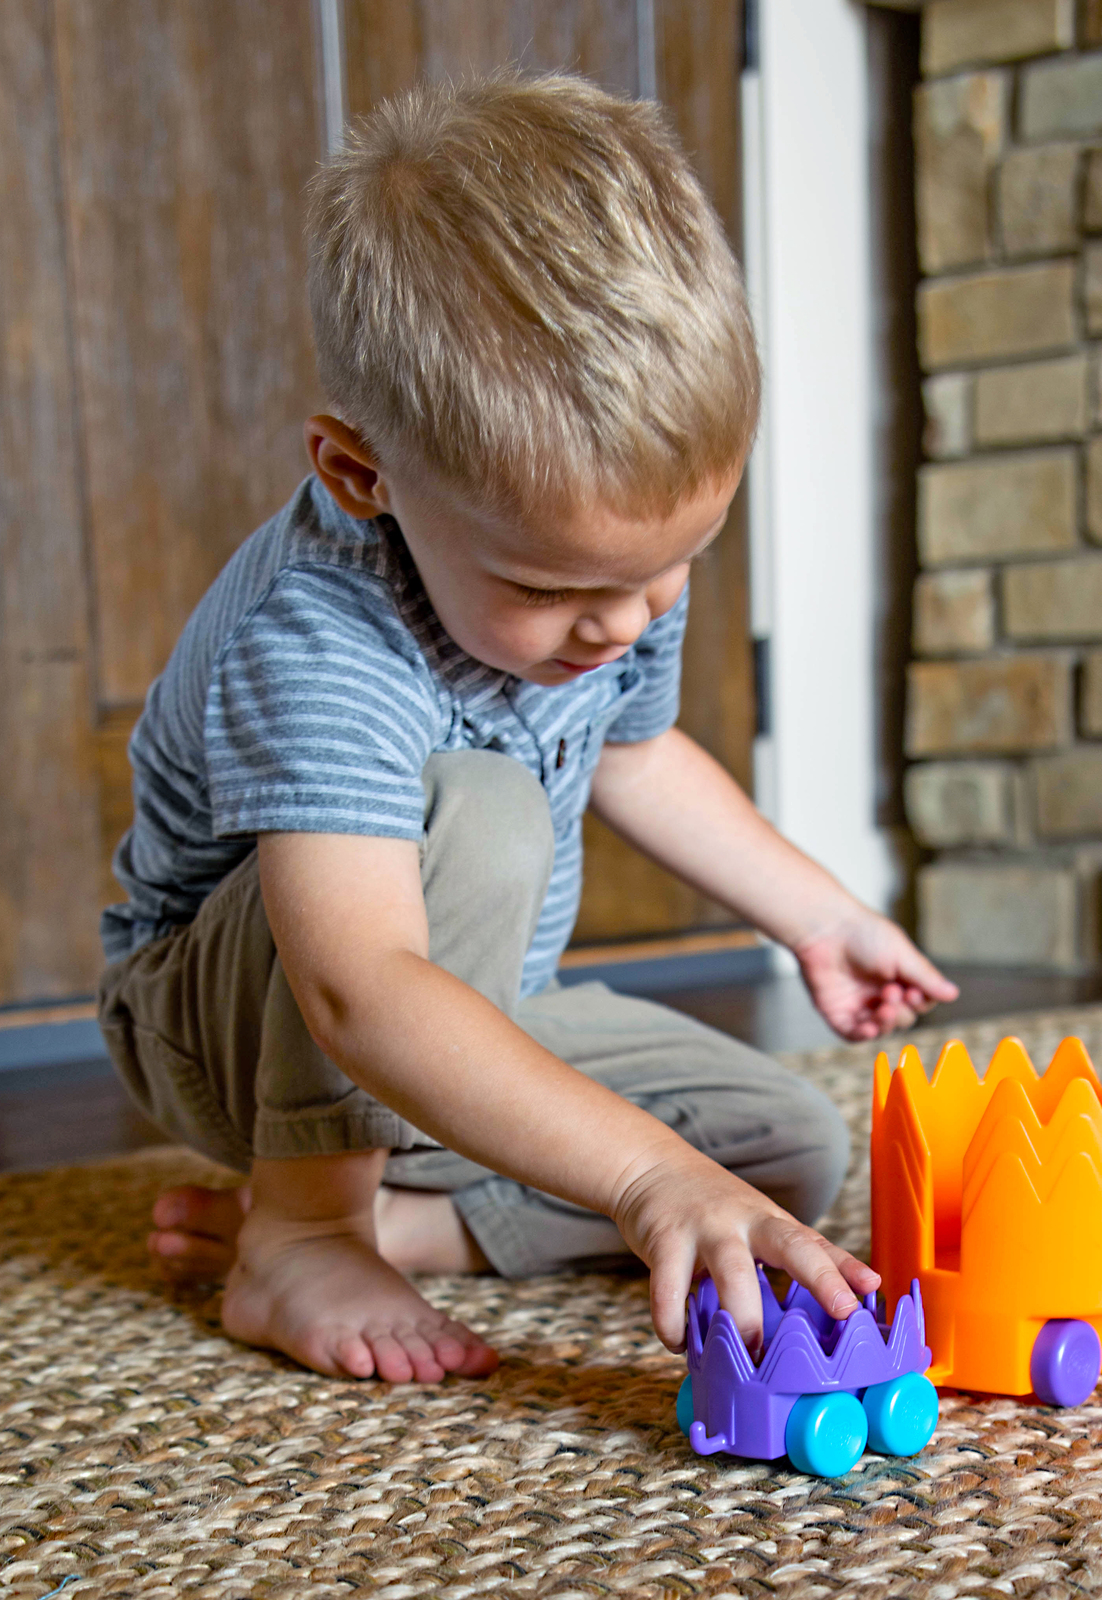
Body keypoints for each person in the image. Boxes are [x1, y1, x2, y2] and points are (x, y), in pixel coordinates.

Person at [96, 72, 957, 1386]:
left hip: (447, 1004)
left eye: (673, 565)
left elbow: (640, 754)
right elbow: (358, 984)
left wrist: (821, 917)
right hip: (241, 1024)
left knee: (779, 1152)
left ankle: (393, 1219)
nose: (622, 621)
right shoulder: (321, 644)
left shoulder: (609, 574)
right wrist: (635, 1174)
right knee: (487, 807)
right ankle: (306, 1225)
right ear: (360, 472)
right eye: (556, 590)